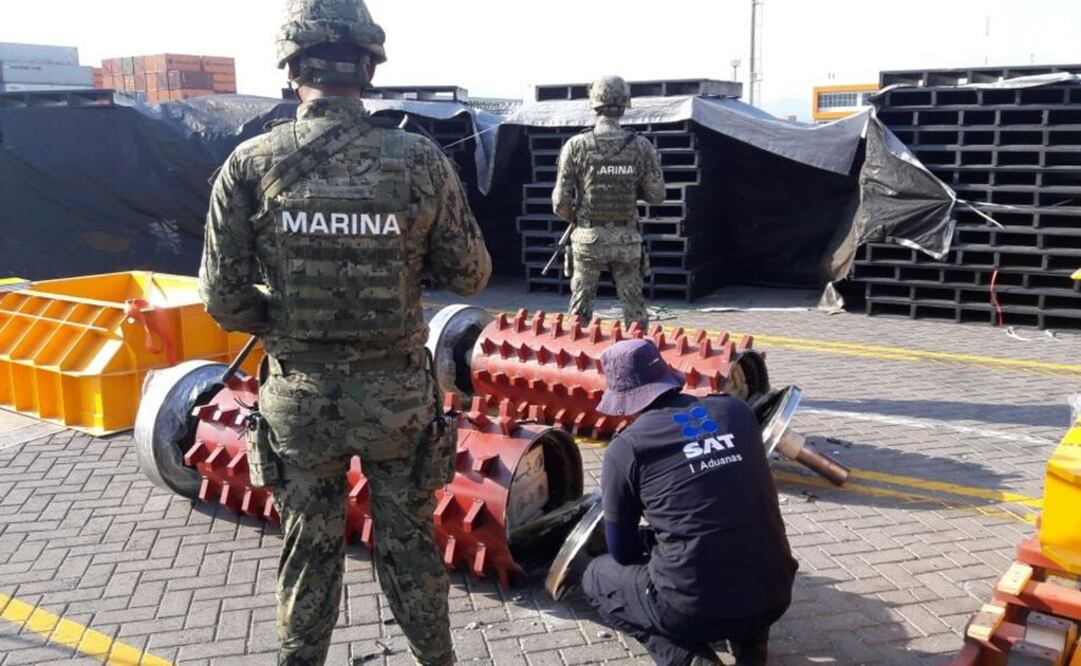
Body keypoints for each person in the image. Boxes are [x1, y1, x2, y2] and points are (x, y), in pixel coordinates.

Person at [197, 1, 492, 663]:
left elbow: (222, 298)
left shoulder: (250, 162)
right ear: (367, 66)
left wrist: (282, 320)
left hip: (299, 401)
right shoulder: (418, 159)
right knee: (411, 545)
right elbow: (470, 277)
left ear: (292, 66)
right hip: (398, 402)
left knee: (308, 550)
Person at [581, 339, 797, 666]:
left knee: (596, 577)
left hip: (693, 609)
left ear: (624, 397)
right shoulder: (735, 411)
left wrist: (653, 543)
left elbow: (622, 551)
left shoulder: (627, 448)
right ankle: (752, 645)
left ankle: (687, 658)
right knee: (741, 551)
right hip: (775, 595)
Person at [552, 75, 665, 330]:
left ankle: (577, 363)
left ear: (594, 104)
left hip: (587, 238)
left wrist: (579, 219)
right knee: (635, 312)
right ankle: (637, 359)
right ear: (624, 106)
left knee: (580, 313)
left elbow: (560, 201)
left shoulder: (575, 146)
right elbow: (657, 196)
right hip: (626, 239)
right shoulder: (641, 147)